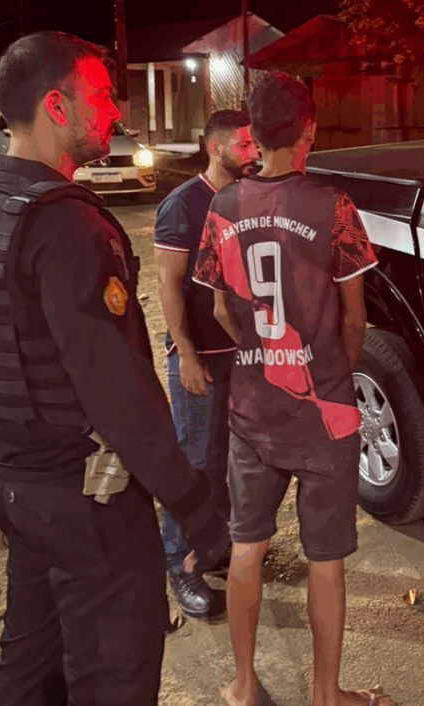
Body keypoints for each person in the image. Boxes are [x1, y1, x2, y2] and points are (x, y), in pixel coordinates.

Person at [0, 31, 227, 706]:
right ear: (56, 105)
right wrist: (193, 504)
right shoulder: (65, 225)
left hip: (15, 485)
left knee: (30, 666)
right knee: (112, 678)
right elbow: (114, 388)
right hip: (86, 502)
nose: (114, 111)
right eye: (99, 94)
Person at [193, 71, 397, 706]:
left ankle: (243, 685)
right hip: (323, 411)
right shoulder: (333, 207)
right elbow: (355, 318)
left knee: (247, 546)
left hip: (252, 408)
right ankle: (327, 695)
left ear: (253, 133)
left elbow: (221, 308)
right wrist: (327, 365)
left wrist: (261, 354)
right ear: (309, 128)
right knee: (325, 559)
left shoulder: (222, 206)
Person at [154, 109, 259, 619]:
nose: (252, 153)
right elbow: (168, 284)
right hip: (201, 360)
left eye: (254, 144)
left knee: (229, 461)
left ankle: (214, 547)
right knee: (193, 462)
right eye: (243, 145)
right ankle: (179, 562)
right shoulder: (183, 204)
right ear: (214, 147)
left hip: (241, 353)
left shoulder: (247, 199)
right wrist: (186, 355)